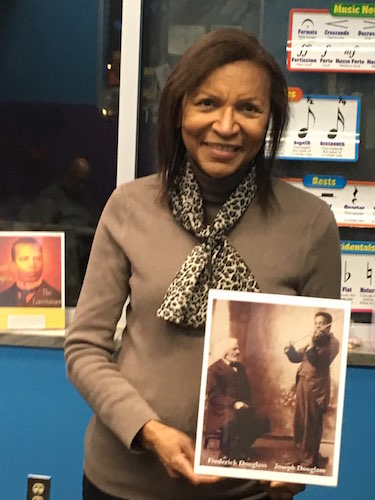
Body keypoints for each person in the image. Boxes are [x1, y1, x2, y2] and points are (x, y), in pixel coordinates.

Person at [65, 28, 341, 500]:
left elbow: (327, 365)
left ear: (270, 121)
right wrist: (148, 430)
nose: (227, 125)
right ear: (179, 112)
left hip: (244, 491)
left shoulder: (310, 224)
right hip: (122, 482)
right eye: (208, 103)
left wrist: (296, 471)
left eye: (249, 109)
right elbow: (84, 349)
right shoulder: (130, 207)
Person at [284, 312, 340, 468]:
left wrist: (311, 343)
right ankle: (303, 457)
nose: (317, 326)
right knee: (301, 422)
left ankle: (309, 461)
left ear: (329, 325)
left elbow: (318, 361)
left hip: (316, 388)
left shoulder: (333, 342)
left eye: (321, 323)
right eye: (315, 323)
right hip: (302, 382)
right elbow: (297, 357)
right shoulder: (314, 340)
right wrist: (290, 350)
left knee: (311, 423)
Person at [204, 337, 270, 460]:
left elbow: (246, 390)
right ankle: (226, 453)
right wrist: (234, 403)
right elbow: (213, 395)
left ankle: (242, 447)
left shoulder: (240, 367)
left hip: (241, 405)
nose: (238, 352)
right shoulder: (213, 369)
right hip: (221, 409)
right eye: (234, 349)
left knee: (262, 418)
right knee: (231, 418)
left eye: (238, 348)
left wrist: (247, 404)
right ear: (225, 351)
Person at [0, 237, 61, 307]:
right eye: (24, 259)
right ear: (13, 264)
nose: (32, 265)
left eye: (37, 258)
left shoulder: (58, 297)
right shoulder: (2, 297)